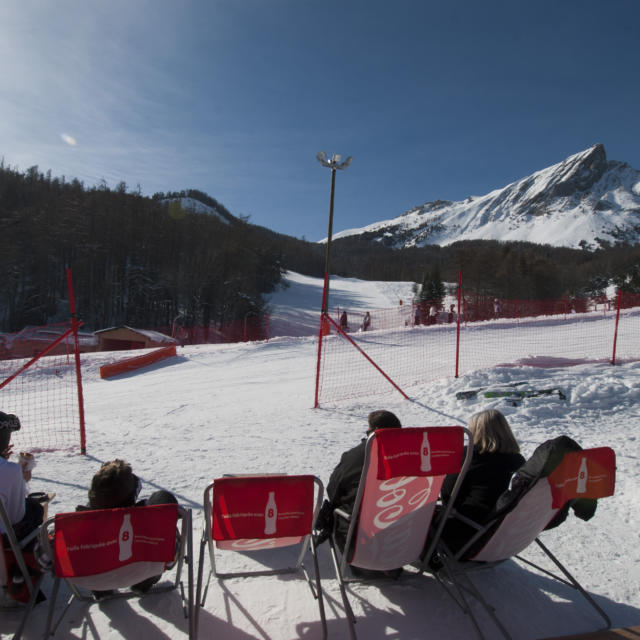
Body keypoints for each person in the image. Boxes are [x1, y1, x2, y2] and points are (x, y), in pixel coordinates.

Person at [314, 410, 402, 577]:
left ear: (373, 431)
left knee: (338, 508)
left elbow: (334, 491)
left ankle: (376, 563)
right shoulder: (416, 456)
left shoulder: (357, 457)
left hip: (362, 549)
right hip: (406, 542)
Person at [78, 459, 178, 596]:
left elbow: (47, 561)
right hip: (143, 573)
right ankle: (142, 584)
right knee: (163, 499)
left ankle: (102, 589)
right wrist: (168, 522)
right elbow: (171, 559)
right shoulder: (149, 523)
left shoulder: (74, 529)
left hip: (94, 579)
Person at [437, 409, 525, 555]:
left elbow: (448, 494)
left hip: (464, 535)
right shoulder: (518, 461)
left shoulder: (469, 456)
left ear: (476, 432)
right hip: (499, 536)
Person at [0, 412, 44, 542]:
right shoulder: (11, 471)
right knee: (34, 509)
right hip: (3, 545)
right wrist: (21, 480)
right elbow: (15, 517)